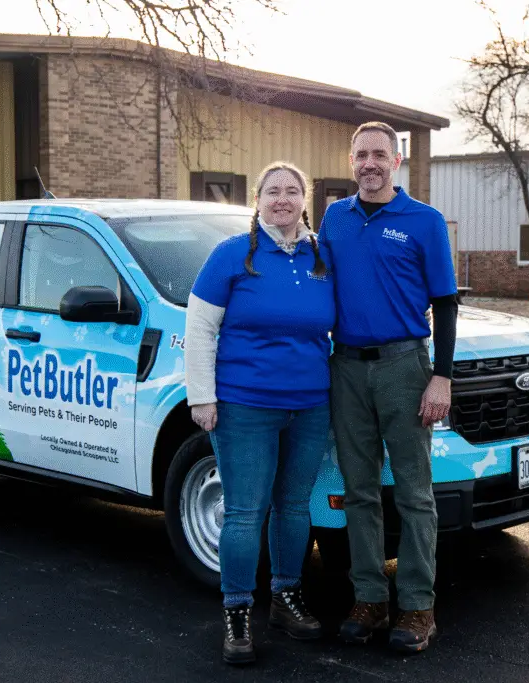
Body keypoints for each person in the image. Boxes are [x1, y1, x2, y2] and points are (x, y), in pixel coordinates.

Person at [184, 161, 335, 665]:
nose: (282, 199)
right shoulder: (231, 255)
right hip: (244, 405)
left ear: (305, 200)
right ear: (258, 200)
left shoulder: (322, 256)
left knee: (294, 506)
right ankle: (237, 611)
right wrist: (202, 397)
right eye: (273, 191)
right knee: (246, 512)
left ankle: (287, 597)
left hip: (311, 405)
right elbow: (200, 329)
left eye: (292, 191)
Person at [318, 121, 458, 653]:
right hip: (347, 368)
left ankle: (419, 606)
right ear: (351, 161)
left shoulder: (424, 221)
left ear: (396, 161)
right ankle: (370, 599)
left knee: (414, 493)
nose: (370, 163)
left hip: (405, 366)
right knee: (359, 491)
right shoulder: (335, 217)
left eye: (380, 154)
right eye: (361, 155)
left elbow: (445, 304)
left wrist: (441, 376)